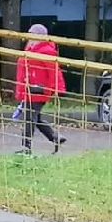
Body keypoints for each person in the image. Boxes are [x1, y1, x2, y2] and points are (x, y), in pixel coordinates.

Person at [14, 24, 67, 154]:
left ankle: (26, 148)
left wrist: (59, 89)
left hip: (38, 91)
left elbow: (55, 72)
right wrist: (20, 92)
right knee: (34, 118)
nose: (30, 37)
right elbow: (22, 74)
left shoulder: (46, 51)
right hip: (30, 90)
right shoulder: (30, 51)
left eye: (33, 34)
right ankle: (55, 137)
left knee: (29, 118)